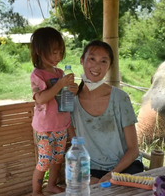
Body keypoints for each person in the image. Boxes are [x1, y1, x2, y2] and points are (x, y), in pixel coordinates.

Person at [68, 40, 144, 185]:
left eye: (103, 61)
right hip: (91, 169)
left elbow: (133, 150)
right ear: (81, 60)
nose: (97, 66)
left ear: (110, 66)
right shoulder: (71, 101)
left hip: (125, 167)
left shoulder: (120, 98)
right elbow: (75, 147)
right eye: (92, 59)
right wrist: (87, 176)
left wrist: (111, 175)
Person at [30, 27, 78, 196]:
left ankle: (51, 186)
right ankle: (36, 191)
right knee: (44, 161)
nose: (58, 57)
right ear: (39, 51)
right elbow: (41, 98)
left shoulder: (59, 72)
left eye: (60, 52)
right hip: (45, 128)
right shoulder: (37, 74)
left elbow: (65, 97)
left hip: (61, 125)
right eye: (53, 52)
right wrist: (59, 84)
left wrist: (72, 89)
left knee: (57, 159)